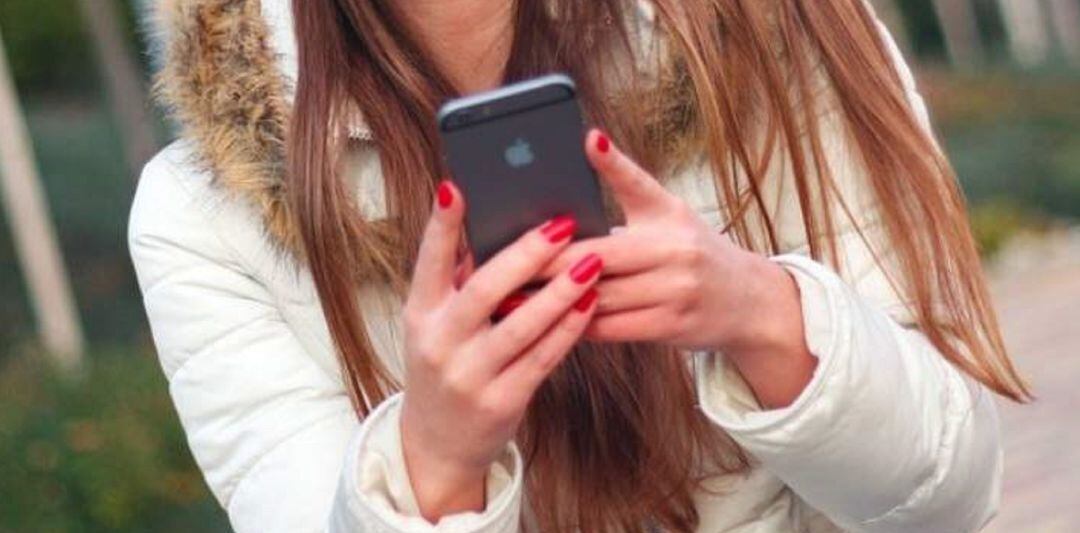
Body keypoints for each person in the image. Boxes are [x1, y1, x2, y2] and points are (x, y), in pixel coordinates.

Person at [129, 0, 1029, 531]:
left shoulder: (778, 29)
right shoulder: (202, 214)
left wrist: (766, 317)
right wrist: (428, 464)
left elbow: (951, 493)